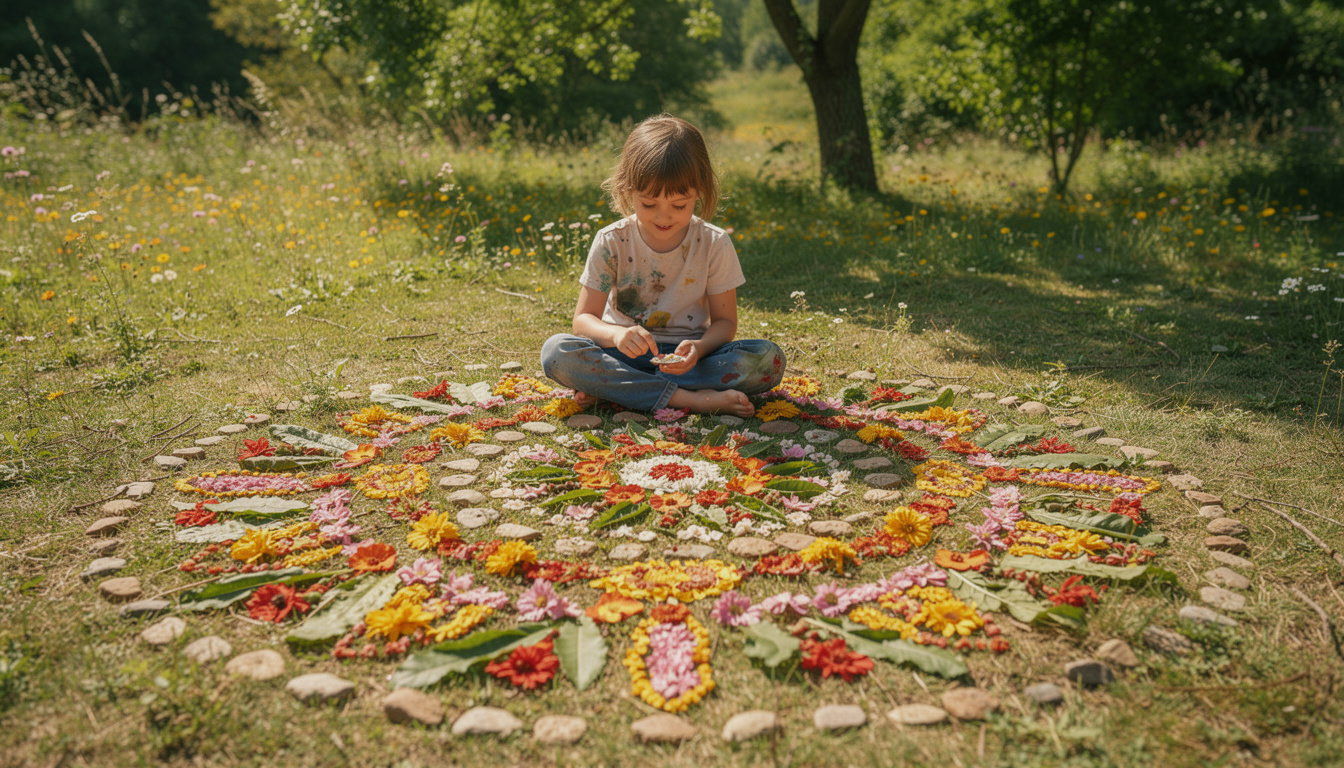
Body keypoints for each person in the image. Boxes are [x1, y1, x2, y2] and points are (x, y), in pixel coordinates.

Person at [540, 114, 784, 417]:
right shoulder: (612, 241)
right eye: (649, 204)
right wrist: (616, 336)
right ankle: (687, 399)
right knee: (556, 352)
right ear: (627, 190)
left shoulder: (714, 243)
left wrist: (698, 349)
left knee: (767, 359)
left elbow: (725, 323)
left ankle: (620, 388)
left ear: (700, 190)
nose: (664, 217)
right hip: (622, 355)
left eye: (679, 205)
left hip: (691, 362)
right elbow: (584, 320)